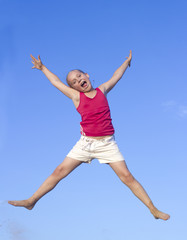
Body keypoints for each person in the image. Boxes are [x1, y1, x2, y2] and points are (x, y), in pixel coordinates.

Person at [8, 51, 170, 220]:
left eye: (79, 76)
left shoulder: (102, 90)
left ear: (87, 75)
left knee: (127, 177)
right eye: (74, 82)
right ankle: (31, 201)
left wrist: (126, 62)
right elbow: (55, 82)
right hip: (85, 144)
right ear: (73, 88)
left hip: (107, 144)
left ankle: (153, 209)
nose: (79, 81)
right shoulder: (76, 97)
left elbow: (117, 75)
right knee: (59, 171)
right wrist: (42, 68)